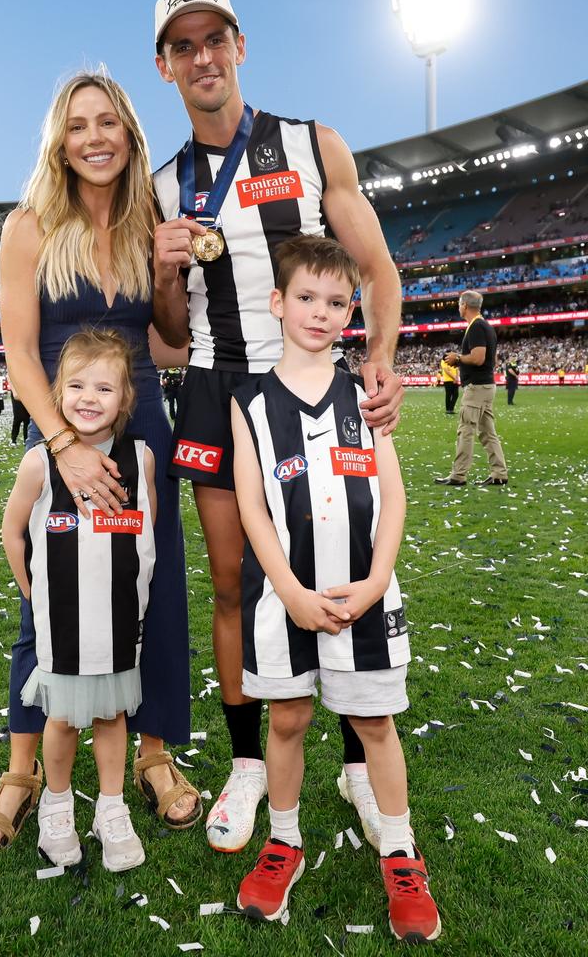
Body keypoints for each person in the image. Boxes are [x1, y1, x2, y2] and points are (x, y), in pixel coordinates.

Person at [152, 0, 404, 853]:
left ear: (240, 46)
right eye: (184, 46)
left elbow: (377, 270)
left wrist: (377, 360)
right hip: (221, 390)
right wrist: (158, 268)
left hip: (315, 384)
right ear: (165, 66)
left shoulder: (310, 143)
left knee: (333, 564)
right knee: (235, 584)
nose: (203, 56)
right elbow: (171, 337)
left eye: (215, 38)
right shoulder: (162, 184)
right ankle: (249, 762)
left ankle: (350, 756)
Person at [0, 72, 199, 853]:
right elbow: (20, 352)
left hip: (142, 435)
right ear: (59, 142)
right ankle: (23, 770)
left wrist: (169, 274)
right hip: (63, 437)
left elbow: (171, 341)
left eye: (108, 122)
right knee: (50, 600)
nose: (95, 137)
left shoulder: (149, 222)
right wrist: (60, 446)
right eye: (78, 126)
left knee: (153, 592)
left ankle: (154, 755)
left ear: (130, 134)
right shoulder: (29, 226)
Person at [231, 236, 440, 941]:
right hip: (282, 600)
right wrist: (288, 589)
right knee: (286, 721)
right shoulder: (251, 401)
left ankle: (402, 854)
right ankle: (284, 840)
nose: (321, 313)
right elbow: (252, 506)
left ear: (351, 311)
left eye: (337, 302)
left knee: (375, 724)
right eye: (307, 298)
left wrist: (380, 578)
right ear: (278, 303)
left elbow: (395, 495)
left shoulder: (366, 394)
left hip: (364, 598)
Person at [0, 330, 156, 871]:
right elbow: (12, 532)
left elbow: (146, 538)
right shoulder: (40, 462)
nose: (88, 398)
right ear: (57, 392)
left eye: (104, 388)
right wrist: (31, 591)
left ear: (125, 399)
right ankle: (57, 806)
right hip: (62, 625)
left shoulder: (142, 459)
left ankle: (112, 808)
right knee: (61, 721)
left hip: (116, 623)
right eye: (76, 385)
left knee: (112, 716)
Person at [435, 290, 508, 487]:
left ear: (465, 305)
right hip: (485, 385)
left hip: (476, 387)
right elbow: (491, 359)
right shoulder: (486, 327)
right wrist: (462, 361)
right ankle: (499, 472)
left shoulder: (476, 327)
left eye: (459, 304)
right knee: (487, 432)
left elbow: (478, 358)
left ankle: (459, 475)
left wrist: (457, 358)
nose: (459, 307)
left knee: (466, 430)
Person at [9, 379, 30, 445]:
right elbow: (9, 378)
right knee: (17, 418)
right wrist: (14, 391)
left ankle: (26, 439)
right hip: (17, 391)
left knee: (27, 418)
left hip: (26, 392)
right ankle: (13, 439)